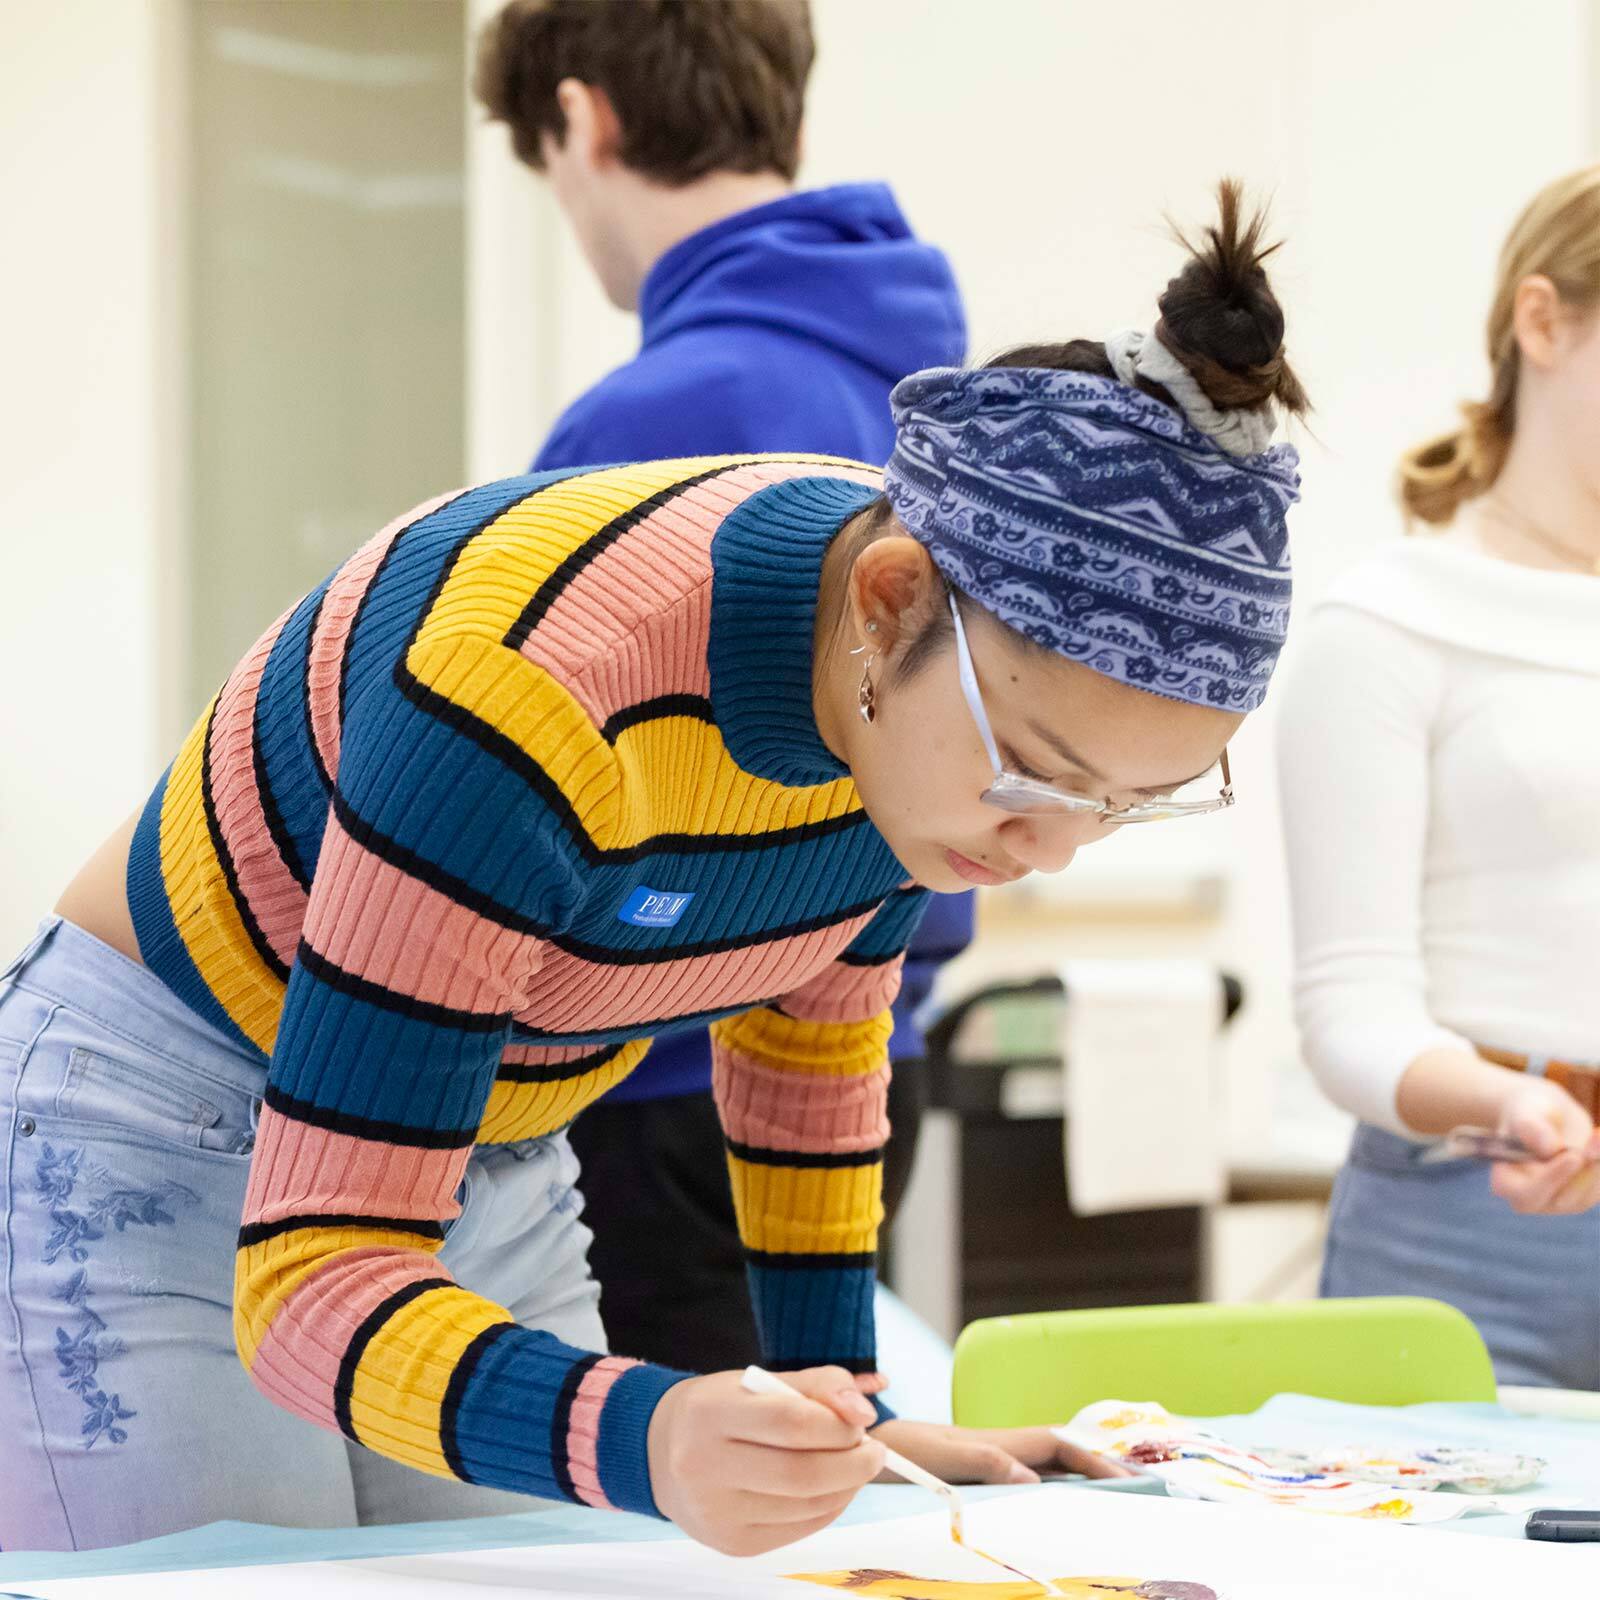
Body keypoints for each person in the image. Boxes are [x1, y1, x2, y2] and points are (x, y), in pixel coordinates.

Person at [0, 182, 1302, 1554]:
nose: (1048, 851)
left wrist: (832, 1406)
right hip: (155, 1130)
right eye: (1036, 770)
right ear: (888, 605)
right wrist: (651, 1433)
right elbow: (317, 1273)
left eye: (1127, 803)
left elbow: (809, 1044)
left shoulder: (921, 719)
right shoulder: (531, 698)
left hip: (488, 1158)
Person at [473, 0, 972, 1371]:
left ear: (582, 119)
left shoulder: (647, 426)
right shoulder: (941, 387)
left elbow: (514, 802)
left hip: (674, 1083)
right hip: (878, 1058)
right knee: (814, 1488)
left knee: (683, 1535)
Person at [1278, 164, 1600, 1387]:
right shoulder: (1390, 624)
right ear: (1542, 319)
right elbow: (1348, 1010)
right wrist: (1508, 1105)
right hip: (1472, 1231)